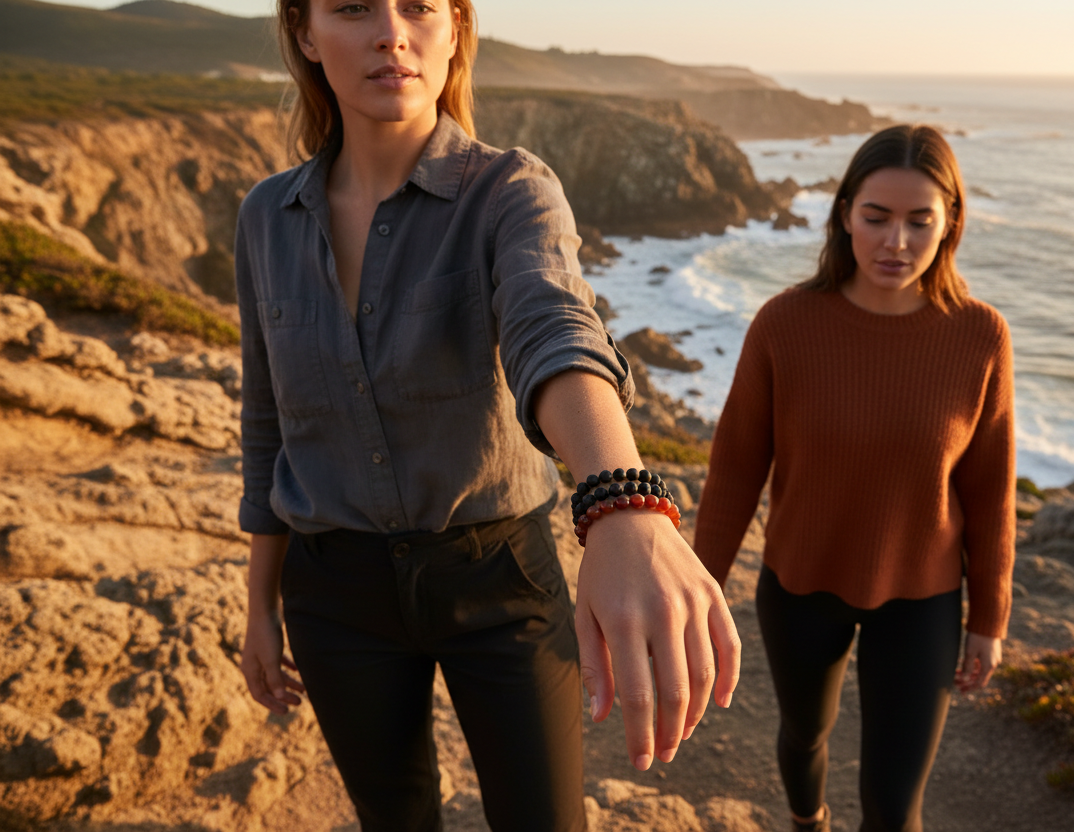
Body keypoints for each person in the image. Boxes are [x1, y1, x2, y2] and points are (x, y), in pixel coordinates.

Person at [234, 0, 740, 829]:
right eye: (354, 8)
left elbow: (555, 328)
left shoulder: (510, 190)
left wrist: (622, 504)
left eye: (420, 8)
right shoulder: (266, 217)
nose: (391, 33)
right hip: (333, 588)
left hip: (498, 576)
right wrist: (260, 604)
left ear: (456, 29)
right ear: (303, 31)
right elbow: (268, 421)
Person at [694, 125, 1015, 832]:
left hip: (924, 597)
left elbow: (991, 492)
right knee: (804, 736)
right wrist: (698, 587)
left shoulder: (980, 335)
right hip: (801, 582)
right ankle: (808, 821)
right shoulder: (784, 324)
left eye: (918, 221)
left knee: (895, 808)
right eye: (876, 217)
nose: (895, 241)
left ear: (951, 223)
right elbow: (735, 471)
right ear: (844, 214)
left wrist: (989, 618)